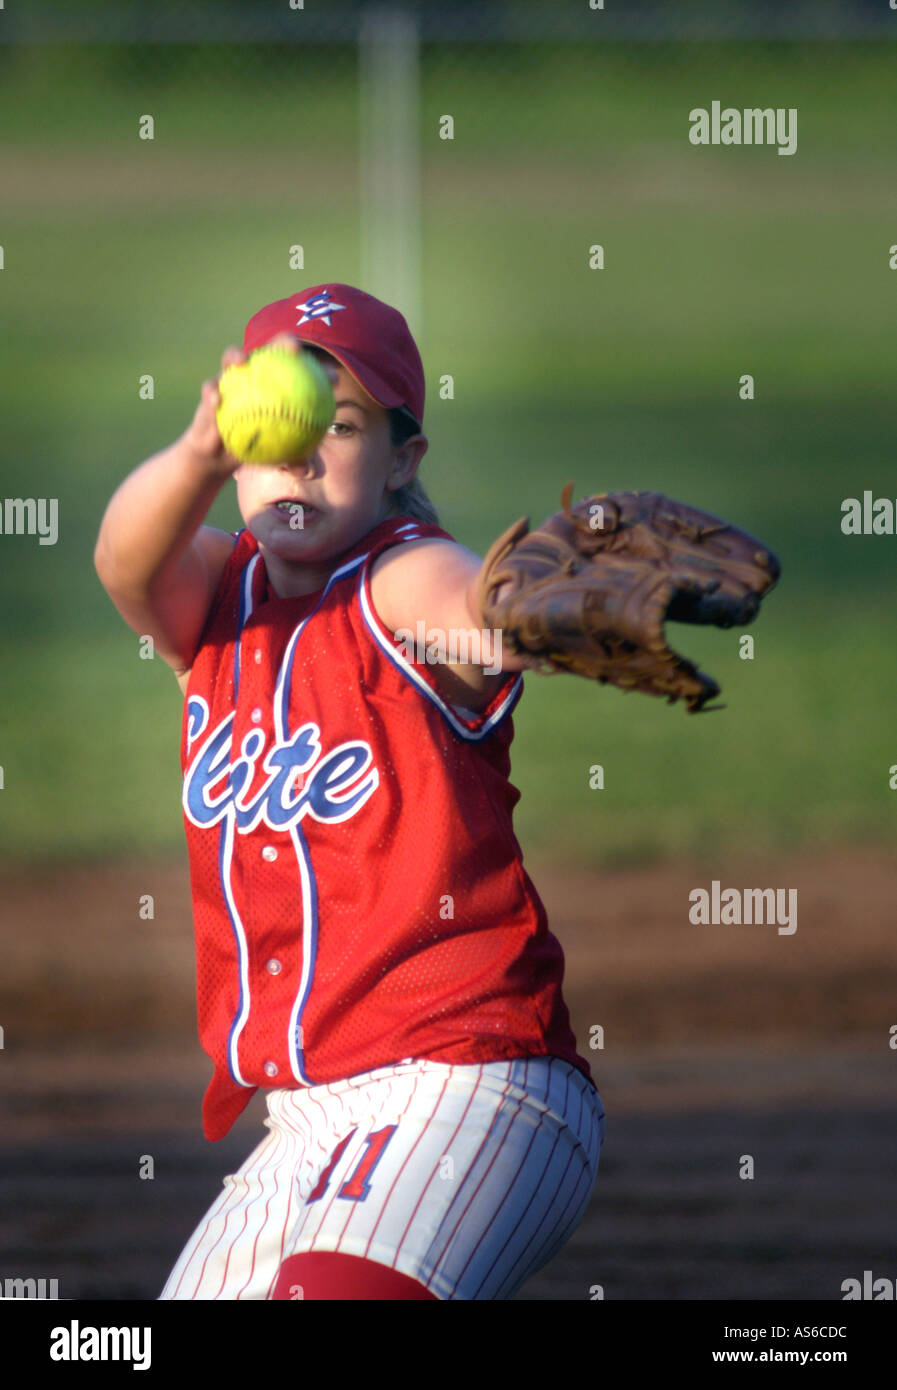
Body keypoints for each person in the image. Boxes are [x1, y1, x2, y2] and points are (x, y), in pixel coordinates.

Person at [94, 283, 605, 1301]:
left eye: (341, 427)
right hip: (304, 1119)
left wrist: (533, 609)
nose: (299, 455)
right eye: (270, 427)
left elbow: (471, 609)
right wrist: (197, 451)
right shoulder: (215, 601)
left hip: (472, 1083)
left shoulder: (397, 580)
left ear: (402, 459)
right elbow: (124, 561)